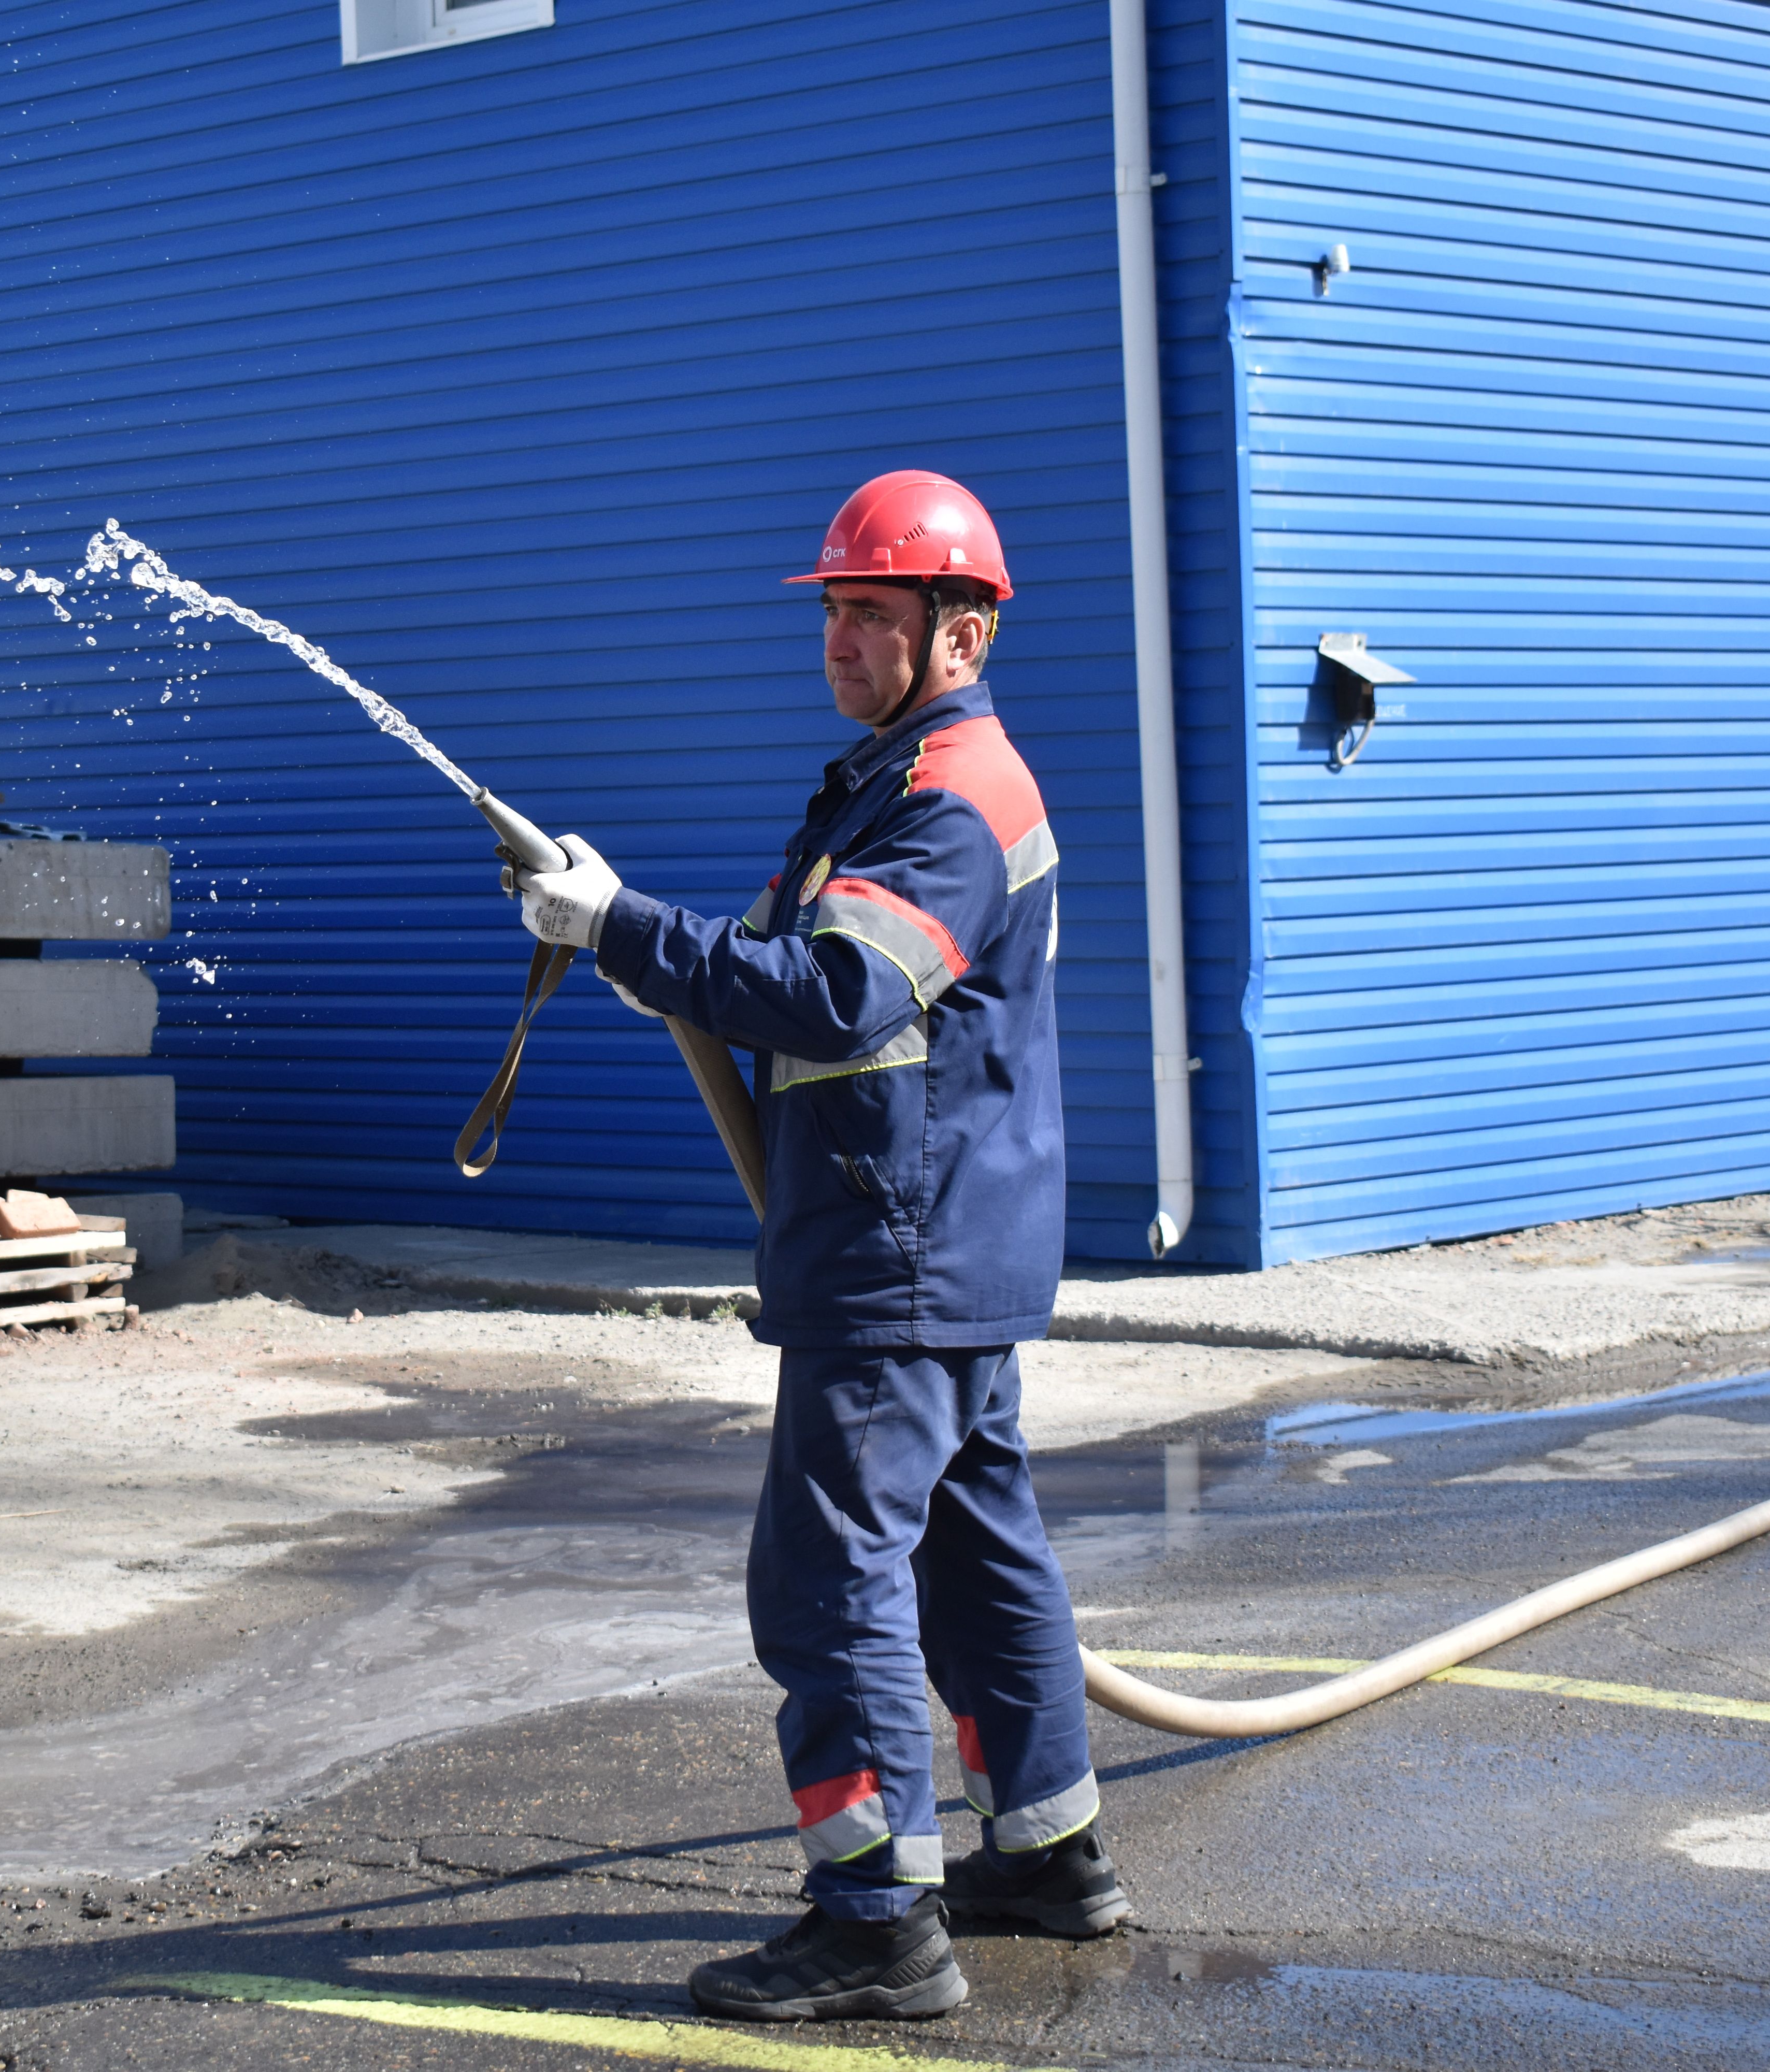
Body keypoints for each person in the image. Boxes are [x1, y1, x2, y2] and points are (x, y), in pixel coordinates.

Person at [510, 471, 1125, 2023]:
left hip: (898, 1249)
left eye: (873, 612)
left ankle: (874, 1924)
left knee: (832, 1573)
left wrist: (623, 930)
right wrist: (641, 946)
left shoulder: (950, 801)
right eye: (837, 610)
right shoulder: (891, 780)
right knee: (981, 1561)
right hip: (937, 1237)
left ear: (961, 634)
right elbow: (797, 967)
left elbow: (845, 996)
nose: (841, 637)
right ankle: (1048, 1856)